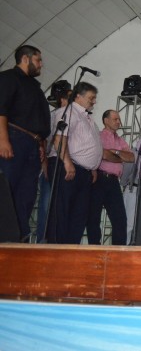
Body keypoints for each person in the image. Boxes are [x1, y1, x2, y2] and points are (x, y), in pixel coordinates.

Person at [0, 45, 51, 241]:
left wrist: (41, 147)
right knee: (8, 190)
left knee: (27, 195)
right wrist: (3, 140)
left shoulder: (35, 87)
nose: (41, 64)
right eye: (38, 60)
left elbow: (39, 121)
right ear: (25, 59)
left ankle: (19, 238)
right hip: (14, 138)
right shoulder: (8, 78)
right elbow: (1, 110)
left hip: (33, 144)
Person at [46, 82, 103, 244]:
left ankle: (71, 250)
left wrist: (92, 167)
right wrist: (67, 162)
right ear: (78, 96)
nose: (94, 101)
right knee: (62, 212)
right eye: (91, 98)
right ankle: (57, 251)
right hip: (68, 167)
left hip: (84, 173)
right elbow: (59, 139)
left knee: (79, 215)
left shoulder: (87, 118)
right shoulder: (67, 112)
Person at [87, 110, 134, 245]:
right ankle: (94, 249)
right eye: (115, 119)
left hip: (114, 182)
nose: (119, 122)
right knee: (93, 217)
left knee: (120, 219)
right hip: (98, 178)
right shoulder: (98, 136)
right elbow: (104, 154)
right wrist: (119, 157)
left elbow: (131, 157)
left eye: (119, 119)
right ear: (106, 121)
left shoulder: (120, 140)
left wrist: (115, 152)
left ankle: (118, 251)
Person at [37, 89, 71, 243]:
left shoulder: (74, 117)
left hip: (67, 164)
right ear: (62, 100)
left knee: (62, 206)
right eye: (70, 97)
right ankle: (42, 242)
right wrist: (44, 162)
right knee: (46, 205)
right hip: (52, 162)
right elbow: (44, 139)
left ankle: (58, 243)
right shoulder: (54, 115)